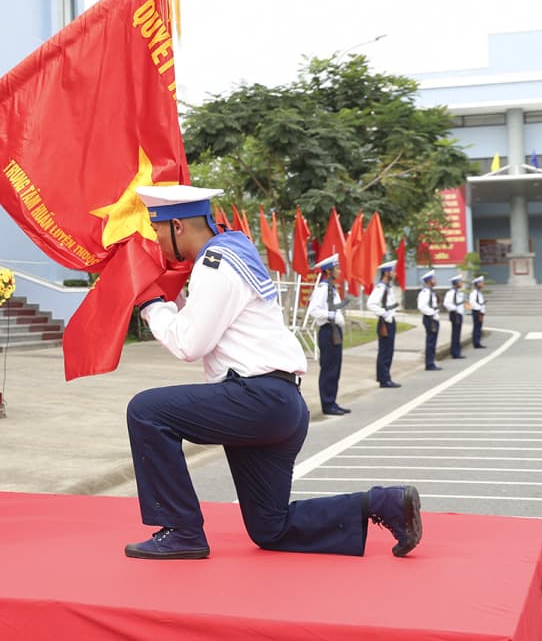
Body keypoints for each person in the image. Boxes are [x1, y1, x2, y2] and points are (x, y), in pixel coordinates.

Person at [124, 184, 423, 561]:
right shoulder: (233, 251)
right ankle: (385, 503)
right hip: (279, 402)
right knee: (270, 527)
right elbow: (199, 323)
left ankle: (181, 531)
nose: (155, 240)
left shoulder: (215, 263)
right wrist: (168, 294)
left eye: (156, 231)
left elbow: (189, 344)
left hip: (257, 400)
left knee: (146, 411)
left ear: (178, 226)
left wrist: (151, 304)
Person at [307, 254, 351, 415]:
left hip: (335, 331)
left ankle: (332, 401)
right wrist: (332, 316)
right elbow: (313, 310)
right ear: (328, 271)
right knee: (329, 369)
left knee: (335, 369)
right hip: (327, 331)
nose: (339, 271)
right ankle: (327, 404)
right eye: (337, 268)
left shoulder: (331, 288)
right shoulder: (322, 288)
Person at [365, 260, 402, 388]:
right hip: (384, 323)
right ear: (387, 273)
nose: (395, 274)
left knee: (388, 351)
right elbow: (371, 304)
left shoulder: (387, 288)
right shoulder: (380, 288)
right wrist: (384, 314)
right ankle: (384, 379)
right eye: (392, 271)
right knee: (385, 351)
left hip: (389, 321)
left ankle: (385, 377)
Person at [417, 270, 442, 371]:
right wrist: (432, 313)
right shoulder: (425, 292)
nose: (435, 280)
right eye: (433, 279)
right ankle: (429, 363)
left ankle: (431, 362)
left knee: (433, 341)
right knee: (431, 341)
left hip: (433, 318)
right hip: (430, 318)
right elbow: (421, 306)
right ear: (429, 281)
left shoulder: (431, 292)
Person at [443, 275, 467, 359]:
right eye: (460, 282)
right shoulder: (451, 293)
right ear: (456, 283)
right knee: (455, 333)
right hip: (455, 314)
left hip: (459, 314)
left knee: (457, 333)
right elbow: (446, 303)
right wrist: (455, 309)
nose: (461, 283)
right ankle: (455, 352)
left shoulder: (458, 292)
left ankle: (457, 351)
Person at [470, 275, 487, 348]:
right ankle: (476, 343)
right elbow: (472, 302)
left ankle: (478, 342)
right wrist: (479, 309)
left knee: (479, 327)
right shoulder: (474, 293)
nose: (483, 284)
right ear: (477, 284)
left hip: (480, 311)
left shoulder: (479, 292)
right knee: (476, 327)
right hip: (477, 311)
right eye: (481, 282)